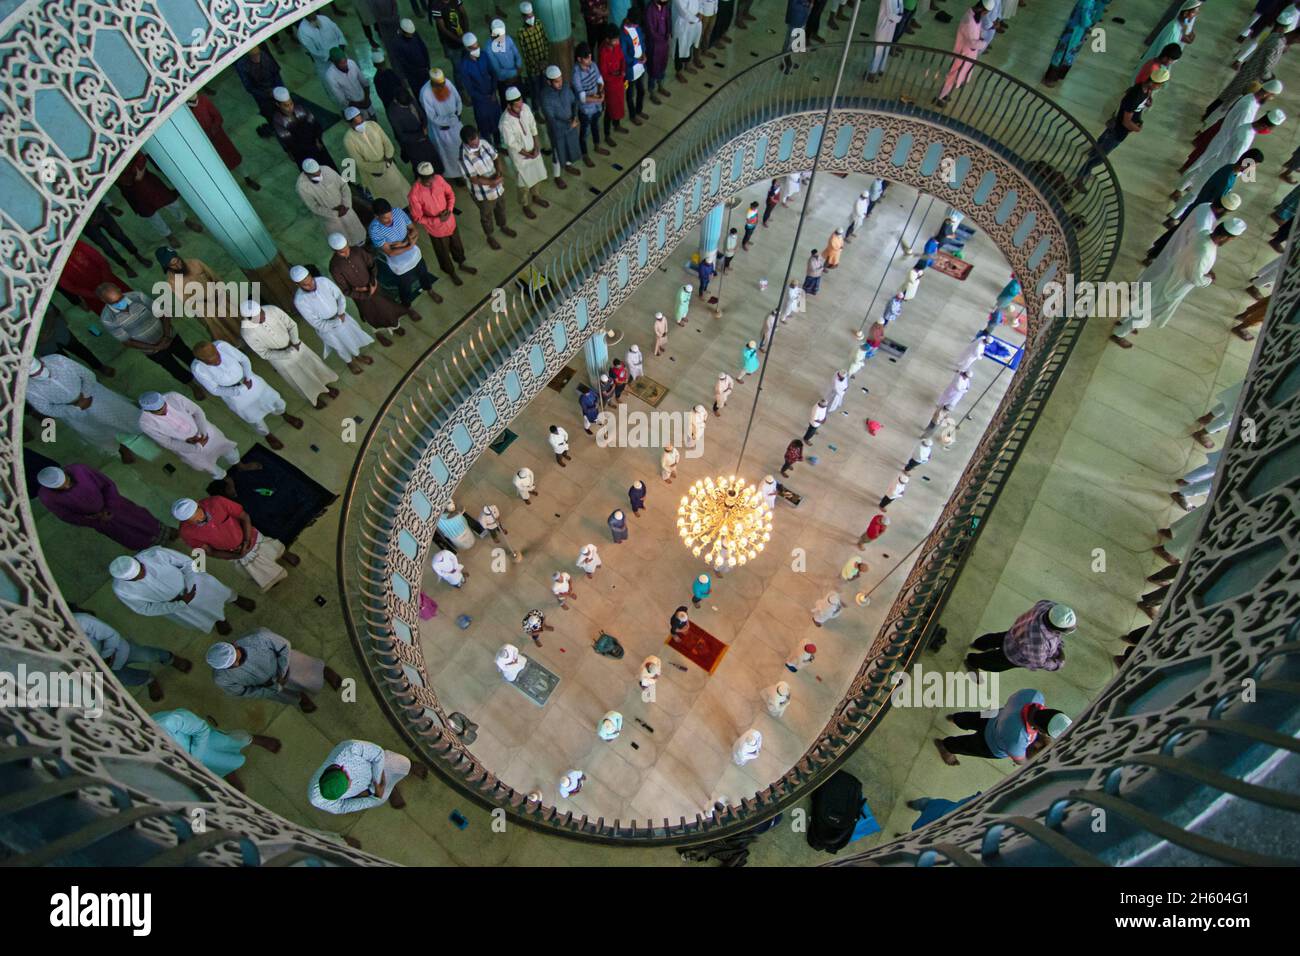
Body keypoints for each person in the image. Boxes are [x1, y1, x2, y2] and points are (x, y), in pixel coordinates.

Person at [1111, 219, 1246, 346]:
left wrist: (1206, 270)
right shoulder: (1205, 251)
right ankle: (1120, 333)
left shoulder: (1203, 234)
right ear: (1226, 237)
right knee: (1150, 310)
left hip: (1171, 274)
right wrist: (1209, 279)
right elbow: (1195, 278)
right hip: (1175, 285)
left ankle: (1125, 321)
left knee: (1147, 301)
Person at [110, 547, 253, 636]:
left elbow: (187, 563)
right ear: (127, 581)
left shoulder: (155, 554)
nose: (143, 575)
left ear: (139, 561)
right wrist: (179, 604)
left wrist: (190, 586)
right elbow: (144, 609)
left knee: (218, 592)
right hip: (175, 605)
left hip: (194, 583)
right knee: (202, 614)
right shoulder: (121, 589)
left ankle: (234, 598)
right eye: (137, 578)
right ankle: (219, 619)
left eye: (142, 570)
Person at [25, 356, 145, 461]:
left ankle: (146, 429)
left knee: (122, 414)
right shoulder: (29, 388)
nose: (44, 375)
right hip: (72, 413)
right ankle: (121, 449)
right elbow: (46, 409)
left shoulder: (58, 360)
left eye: (41, 369)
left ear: (42, 361)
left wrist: (86, 395)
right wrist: (76, 408)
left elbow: (87, 375)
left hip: (94, 394)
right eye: (36, 375)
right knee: (94, 433)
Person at [97, 284, 204, 399]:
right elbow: (127, 342)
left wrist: (166, 336)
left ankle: (204, 376)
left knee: (187, 355)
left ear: (120, 290)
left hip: (170, 336)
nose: (121, 303)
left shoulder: (138, 297)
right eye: (114, 302)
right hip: (152, 350)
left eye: (120, 298)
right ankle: (193, 386)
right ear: (103, 300)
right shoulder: (107, 319)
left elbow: (163, 313)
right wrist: (156, 347)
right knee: (173, 367)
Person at [1173, 112, 1286, 220]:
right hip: (1217, 170)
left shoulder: (1246, 127)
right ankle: (1174, 216)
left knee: (1194, 192)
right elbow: (1236, 160)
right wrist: (1240, 173)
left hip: (1217, 164)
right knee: (1194, 196)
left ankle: (1176, 209)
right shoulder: (1245, 139)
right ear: (1264, 126)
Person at [190, 341, 300, 452]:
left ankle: (284, 414)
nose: (218, 362)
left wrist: (247, 377)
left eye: (218, 357)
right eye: (212, 363)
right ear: (202, 361)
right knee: (253, 418)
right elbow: (215, 390)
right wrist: (241, 389)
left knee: (275, 399)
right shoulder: (198, 368)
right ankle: (267, 434)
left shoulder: (221, 346)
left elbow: (243, 359)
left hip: (251, 381)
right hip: (234, 395)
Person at [175, 494, 297, 590]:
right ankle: (270, 577)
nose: (201, 520)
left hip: (251, 537)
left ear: (198, 504)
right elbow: (209, 551)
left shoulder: (216, 502)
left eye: (199, 514)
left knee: (271, 549)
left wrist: (247, 540)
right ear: (185, 522)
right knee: (254, 569)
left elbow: (244, 516)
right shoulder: (186, 532)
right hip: (234, 554)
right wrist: (237, 555)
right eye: (195, 521)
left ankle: (283, 554)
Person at [36, 464, 168, 549]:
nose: (67, 486)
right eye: (62, 488)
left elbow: (107, 484)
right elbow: (66, 516)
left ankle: (166, 533)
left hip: (118, 506)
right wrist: (94, 519)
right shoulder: (47, 497)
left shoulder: (79, 470)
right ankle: (151, 548)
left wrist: (110, 505)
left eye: (68, 482)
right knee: (128, 535)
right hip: (101, 521)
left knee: (142, 520)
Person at [239, 299, 340, 409]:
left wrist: (295, 341)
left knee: (313, 366)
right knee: (299, 379)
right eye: (257, 318)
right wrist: (286, 353)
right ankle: (314, 398)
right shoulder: (247, 332)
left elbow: (291, 325)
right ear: (249, 319)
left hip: (296, 344)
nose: (262, 318)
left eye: (261, 313)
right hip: (281, 360)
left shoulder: (272, 309)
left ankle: (326, 387)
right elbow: (264, 354)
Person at [207, 629, 341, 711]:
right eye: (232, 665)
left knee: (307, 670)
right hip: (267, 687)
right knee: (286, 695)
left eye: (237, 658)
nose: (237, 664)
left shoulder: (258, 638)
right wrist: (273, 688)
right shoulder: (221, 678)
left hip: (286, 663)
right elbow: (243, 692)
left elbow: (284, 645)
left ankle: (324, 671)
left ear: (234, 644)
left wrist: (282, 670)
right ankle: (301, 699)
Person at [1076, 69, 1169, 186]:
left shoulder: (1143, 88)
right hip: (1118, 131)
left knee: (1102, 141)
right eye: (1162, 84)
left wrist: (1147, 101)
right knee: (1099, 157)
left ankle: (1092, 152)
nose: (1161, 87)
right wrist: (1137, 128)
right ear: (1156, 84)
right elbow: (1126, 122)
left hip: (1115, 124)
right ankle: (1080, 177)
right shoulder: (1137, 96)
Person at [935, 688, 1071, 766]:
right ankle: (946, 746)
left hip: (995, 715)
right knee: (966, 745)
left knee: (970, 718)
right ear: (1041, 730)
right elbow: (1020, 760)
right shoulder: (1017, 739)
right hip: (990, 743)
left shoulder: (1034, 695)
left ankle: (955, 718)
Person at [1205, 8, 1299, 120]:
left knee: (1228, 93)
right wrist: (1271, 79)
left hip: (1249, 69)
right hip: (1252, 76)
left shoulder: (1276, 36)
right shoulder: (1278, 45)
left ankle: (1209, 112)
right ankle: (1209, 116)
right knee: (1232, 98)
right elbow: (1266, 68)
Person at [328, 232, 421, 345]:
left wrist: (373, 282)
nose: (347, 252)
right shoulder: (335, 266)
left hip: (375, 288)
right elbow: (346, 290)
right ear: (334, 251)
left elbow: (371, 264)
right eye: (342, 252)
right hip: (361, 299)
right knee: (371, 315)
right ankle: (379, 334)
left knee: (388, 308)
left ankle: (394, 326)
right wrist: (364, 293)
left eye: (347, 248)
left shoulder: (357, 251)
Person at [77, 611, 190, 700]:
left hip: (119, 650)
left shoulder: (80, 621)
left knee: (149, 656)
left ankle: (170, 659)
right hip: (103, 670)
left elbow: (111, 635)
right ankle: (149, 680)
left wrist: (107, 655)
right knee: (128, 679)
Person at [154, 708, 277, 789]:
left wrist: (194, 759)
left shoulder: (168, 722)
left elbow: (201, 729)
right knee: (214, 766)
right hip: (192, 760)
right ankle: (227, 771)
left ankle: (252, 739)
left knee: (233, 741)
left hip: (203, 739)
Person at [290, 266, 377, 376]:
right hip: (327, 329)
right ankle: (349, 362)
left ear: (311, 276)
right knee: (339, 346)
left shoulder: (323, 281)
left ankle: (358, 355)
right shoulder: (300, 301)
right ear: (298, 285)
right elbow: (316, 323)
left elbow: (340, 297)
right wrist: (336, 322)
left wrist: (340, 313)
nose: (311, 285)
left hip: (341, 316)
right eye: (305, 285)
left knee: (351, 338)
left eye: (310, 280)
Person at [138, 391, 240, 479]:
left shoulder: (173, 397)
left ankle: (237, 462)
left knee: (226, 447)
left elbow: (197, 411)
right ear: (147, 411)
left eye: (164, 405)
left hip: (205, 430)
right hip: (187, 448)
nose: (165, 410)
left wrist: (203, 433)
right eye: (159, 411)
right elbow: (168, 443)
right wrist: (196, 446)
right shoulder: (145, 423)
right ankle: (224, 477)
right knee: (206, 465)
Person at [308, 739, 426, 814]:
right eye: (347, 789)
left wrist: (378, 780)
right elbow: (342, 807)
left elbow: (378, 754)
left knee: (401, 762)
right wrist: (374, 797)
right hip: (368, 790)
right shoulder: (318, 800)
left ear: (342, 768)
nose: (350, 785)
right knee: (380, 800)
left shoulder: (349, 749)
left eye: (348, 783)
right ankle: (391, 789)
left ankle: (410, 765)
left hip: (376, 767)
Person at [156, 248, 242, 346]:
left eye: (178, 260)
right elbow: (188, 302)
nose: (178, 265)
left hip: (221, 298)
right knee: (222, 331)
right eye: (173, 265)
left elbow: (215, 278)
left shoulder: (195, 263)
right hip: (206, 312)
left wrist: (219, 293)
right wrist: (207, 302)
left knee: (236, 319)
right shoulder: (172, 282)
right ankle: (235, 346)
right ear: (167, 267)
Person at [368, 198, 445, 306]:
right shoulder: (374, 229)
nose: (390, 219)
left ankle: (429, 290)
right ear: (376, 216)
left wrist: (402, 244)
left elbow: (413, 229)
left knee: (423, 273)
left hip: (414, 254)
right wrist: (410, 244)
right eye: (385, 218)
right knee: (405, 285)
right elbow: (390, 252)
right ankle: (407, 306)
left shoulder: (398, 212)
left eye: (390, 215)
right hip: (399, 263)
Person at [115, 155, 202, 245]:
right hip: (130, 188)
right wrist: (126, 180)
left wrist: (139, 170)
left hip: (146, 179)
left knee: (171, 202)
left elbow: (139, 156)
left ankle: (185, 220)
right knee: (150, 214)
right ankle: (168, 235)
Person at [965, 601, 1075, 673]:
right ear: (1055, 629)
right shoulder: (1040, 643)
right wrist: (1059, 663)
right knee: (993, 663)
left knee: (994, 639)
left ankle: (978, 644)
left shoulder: (1047, 606)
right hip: (1013, 654)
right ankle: (973, 661)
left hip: (1014, 633)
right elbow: (1039, 662)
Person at [188, 92, 261, 193]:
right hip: (206, 144)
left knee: (235, 159)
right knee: (219, 166)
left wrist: (214, 128)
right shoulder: (186, 112)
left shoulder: (203, 100)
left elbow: (217, 117)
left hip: (220, 138)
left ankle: (247, 178)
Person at [459, 125, 517, 249]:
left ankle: (503, 226)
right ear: (466, 142)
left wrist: (499, 173)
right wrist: (492, 182)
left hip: (497, 186)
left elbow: (495, 157)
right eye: (473, 144)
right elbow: (473, 178)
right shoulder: (463, 157)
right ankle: (490, 236)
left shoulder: (483, 143)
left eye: (477, 140)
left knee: (501, 207)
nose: (477, 144)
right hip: (483, 193)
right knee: (486, 215)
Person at [342, 108, 409, 210]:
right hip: (373, 173)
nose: (360, 125)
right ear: (349, 124)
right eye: (356, 123)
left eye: (361, 121)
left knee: (400, 188)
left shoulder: (373, 125)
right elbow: (360, 162)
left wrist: (388, 157)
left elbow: (387, 142)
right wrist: (379, 168)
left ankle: (409, 206)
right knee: (386, 196)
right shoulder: (348, 139)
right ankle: (397, 213)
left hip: (388, 163)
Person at [499, 86, 550, 218]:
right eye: (517, 103)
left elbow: (533, 126)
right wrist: (528, 154)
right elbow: (512, 144)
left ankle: (536, 196)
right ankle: (525, 205)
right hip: (520, 157)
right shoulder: (505, 122)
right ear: (509, 105)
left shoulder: (525, 108)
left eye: (521, 100)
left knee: (537, 175)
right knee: (523, 184)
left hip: (533, 150)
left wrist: (537, 144)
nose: (520, 105)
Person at [296, 158, 366, 247]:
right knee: (342, 243)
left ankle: (362, 246)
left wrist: (346, 204)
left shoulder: (326, 170)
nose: (319, 175)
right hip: (330, 219)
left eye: (319, 172)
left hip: (346, 210)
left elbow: (344, 185)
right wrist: (335, 213)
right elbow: (314, 207)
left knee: (357, 234)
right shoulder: (302, 187)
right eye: (314, 175)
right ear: (306, 174)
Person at [936, 1, 992, 107]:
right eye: (985, 13)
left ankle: (945, 94)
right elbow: (971, 42)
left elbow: (976, 34)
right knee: (953, 75)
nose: (985, 15)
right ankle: (940, 97)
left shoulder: (975, 16)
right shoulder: (968, 20)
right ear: (981, 9)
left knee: (957, 76)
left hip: (969, 54)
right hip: (963, 54)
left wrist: (980, 39)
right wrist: (984, 44)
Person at [270, 86, 336, 170]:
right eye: (286, 106)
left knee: (329, 167)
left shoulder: (300, 108)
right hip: (302, 153)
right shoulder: (278, 121)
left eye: (291, 104)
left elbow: (314, 123)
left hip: (315, 144)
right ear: (278, 105)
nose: (290, 108)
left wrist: (317, 139)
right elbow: (290, 142)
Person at [539, 65, 584, 186]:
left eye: (561, 79)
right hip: (557, 130)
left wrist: (574, 116)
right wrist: (569, 125)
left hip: (571, 124)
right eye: (556, 81)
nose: (560, 83)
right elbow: (551, 119)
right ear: (549, 82)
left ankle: (568, 165)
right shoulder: (545, 97)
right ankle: (557, 176)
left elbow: (574, 102)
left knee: (570, 147)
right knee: (558, 153)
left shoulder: (565, 87)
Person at [420, 68, 466, 179]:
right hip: (442, 130)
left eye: (442, 85)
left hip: (456, 124)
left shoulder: (448, 84)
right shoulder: (425, 93)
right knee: (449, 154)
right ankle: (455, 176)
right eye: (439, 86)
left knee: (462, 149)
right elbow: (432, 117)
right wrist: (448, 121)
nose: (442, 88)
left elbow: (458, 99)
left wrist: (458, 112)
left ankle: (465, 171)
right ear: (432, 83)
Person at [1044, 0, 1102, 85]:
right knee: (1064, 55)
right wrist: (1091, 23)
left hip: (1073, 31)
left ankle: (1054, 76)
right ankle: (1051, 78)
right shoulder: (1088, 2)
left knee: (1063, 54)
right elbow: (1085, 21)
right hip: (1075, 33)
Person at [460, 34, 503, 147]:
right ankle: (489, 147)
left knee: (497, 122)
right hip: (480, 102)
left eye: (477, 45)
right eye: (473, 48)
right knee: (484, 126)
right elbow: (470, 89)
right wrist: (485, 97)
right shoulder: (464, 66)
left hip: (492, 96)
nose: (476, 49)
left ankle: (499, 144)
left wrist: (494, 91)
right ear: (467, 49)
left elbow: (493, 73)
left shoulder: (483, 55)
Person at [234, 44, 286, 137]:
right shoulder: (242, 65)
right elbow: (249, 87)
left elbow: (275, 72)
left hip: (274, 87)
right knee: (270, 114)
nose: (257, 57)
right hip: (262, 95)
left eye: (258, 54)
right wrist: (267, 94)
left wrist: (279, 89)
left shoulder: (264, 56)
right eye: (254, 56)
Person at [572, 44, 610, 160]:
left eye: (589, 56)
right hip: (586, 110)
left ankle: (597, 145)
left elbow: (600, 80)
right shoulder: (576, 74)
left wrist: (601, 91)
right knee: (584, 133)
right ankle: (584, 154)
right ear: (579, 59)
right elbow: (582, 98)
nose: (590, 59)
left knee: (595, 126)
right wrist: (598, 99)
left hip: (596, 106)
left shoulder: (593, 65)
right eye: (587, 58)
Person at [324, 49, 374, 119]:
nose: (345, 65)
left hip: (364, 98)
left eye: (345, 61)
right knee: (363, 123)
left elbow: (364, 82)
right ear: (334, 63)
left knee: (373, 117)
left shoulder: (351, 63)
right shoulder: (330, 76)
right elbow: (342, 99)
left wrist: (367, 98)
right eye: (341, 63)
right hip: (353, 106)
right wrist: (360, 105)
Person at [597, 26, 627, 142]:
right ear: (607, 40)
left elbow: (622, 59)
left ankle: (617, 124)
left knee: (619, 105)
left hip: (620, 83)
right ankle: (607, 134)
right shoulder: (603, 52)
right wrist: (617, 76)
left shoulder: (617, 45)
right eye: (615, 40)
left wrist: (623, 70)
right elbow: (603, 75)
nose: (617, 42)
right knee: (609, 110)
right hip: (610, 86)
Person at [517, 4, 550, 107]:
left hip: (544, 65)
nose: (531, 18)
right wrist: (537, 65)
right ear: (523, 17)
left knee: (545, 88)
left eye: (532, 15)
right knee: (535, 90)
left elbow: (545, 41)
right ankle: (536, 110)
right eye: (528, 16)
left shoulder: (539, 24)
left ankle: (545, 106)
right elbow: (525, 53)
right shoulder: (521, 32)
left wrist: (545, 61)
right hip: (533, 68)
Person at [391, 18, 432, 99]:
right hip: (413, 75)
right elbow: (402, 62)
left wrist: (427, 64)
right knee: (419, 93)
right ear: (402, 31)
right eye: (409, 34)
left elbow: (423, 48)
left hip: (424, 69)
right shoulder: (397, 43)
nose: (411, 35)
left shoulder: (414, 34)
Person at [485, 18, 524, 103]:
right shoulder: (488, 48)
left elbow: (517, 55)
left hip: (517, 77)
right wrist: (516, 72)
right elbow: (497, 70)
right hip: (505, 83)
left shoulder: (508, 39)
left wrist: (519, 65)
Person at [621, 12, 649, 123]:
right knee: (630, 94)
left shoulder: (637, 28)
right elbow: (624, 55)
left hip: (640, 66)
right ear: (629, 21)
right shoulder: (623, 35)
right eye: (635, 25)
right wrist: (637, 60)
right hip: (630, 70)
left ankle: (639, 110)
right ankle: (633, 115)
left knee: (641, 91)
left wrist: (644, 54)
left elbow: (642, 42)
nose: (637, 26)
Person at [869, 0, 905, 79]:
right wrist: (899, 18)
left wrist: (900, 16)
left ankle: (881, 68)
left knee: (887, 48)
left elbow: (901, 7)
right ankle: (872, 73)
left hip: (892, 25)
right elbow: (890, 14)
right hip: (883, 25)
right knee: (879, 49)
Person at [674, 0, 704, 78]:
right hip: (683, 23)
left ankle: (687, 65)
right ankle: (679, 71)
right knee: (680, 48)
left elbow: (700, 2)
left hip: (695, 21)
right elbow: (682, 10)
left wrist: (700, 13)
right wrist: (694, 19)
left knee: (690, 44)